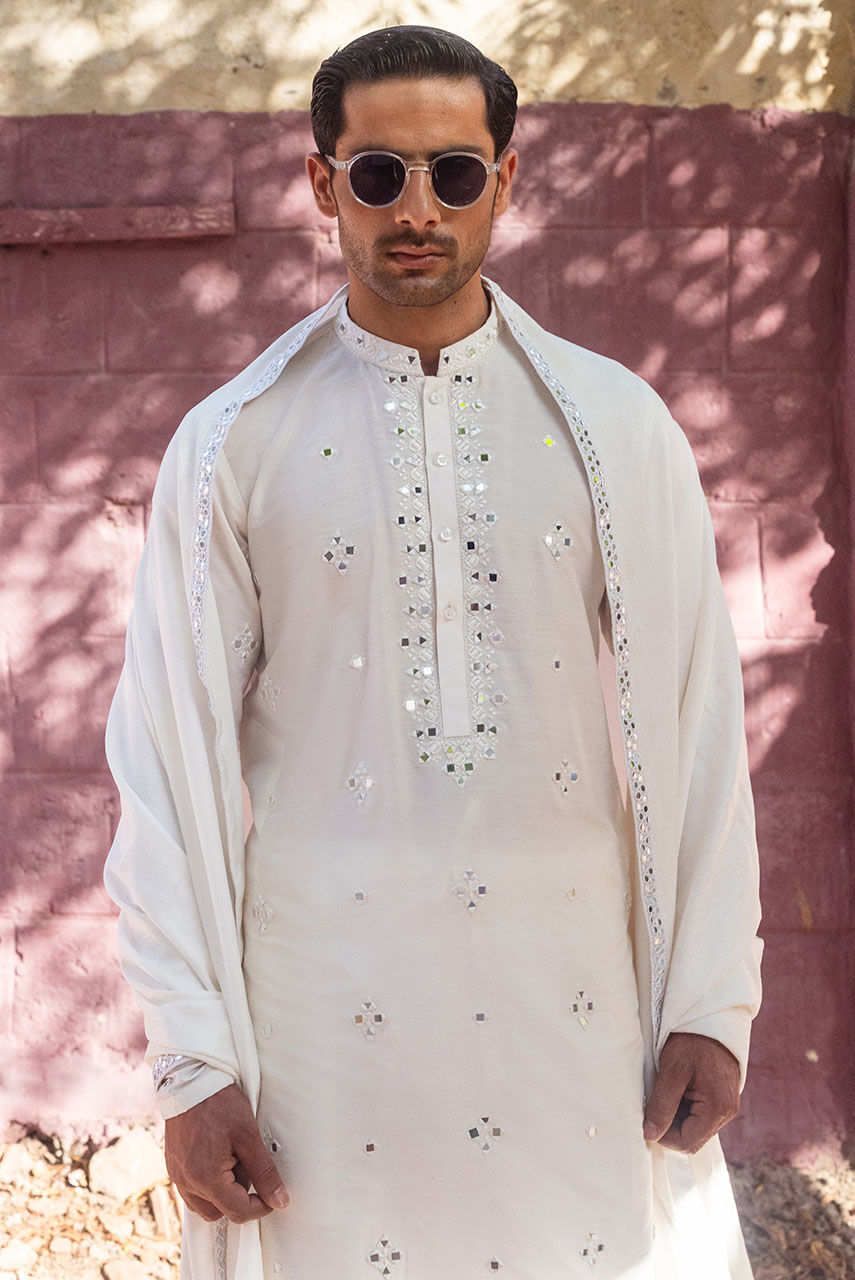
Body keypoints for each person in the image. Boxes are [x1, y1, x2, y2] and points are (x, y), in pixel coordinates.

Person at [104, 24, 763, 1280]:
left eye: (455, 173)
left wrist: (710, 1000)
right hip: (321, 1006)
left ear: (504, 182)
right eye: (379, 173)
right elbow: (166, 762)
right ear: (323, 182)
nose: (418, 209)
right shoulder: (232, 441)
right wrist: (192, 1060)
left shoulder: (616, 423)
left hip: (574, 991)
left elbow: (701, 724)